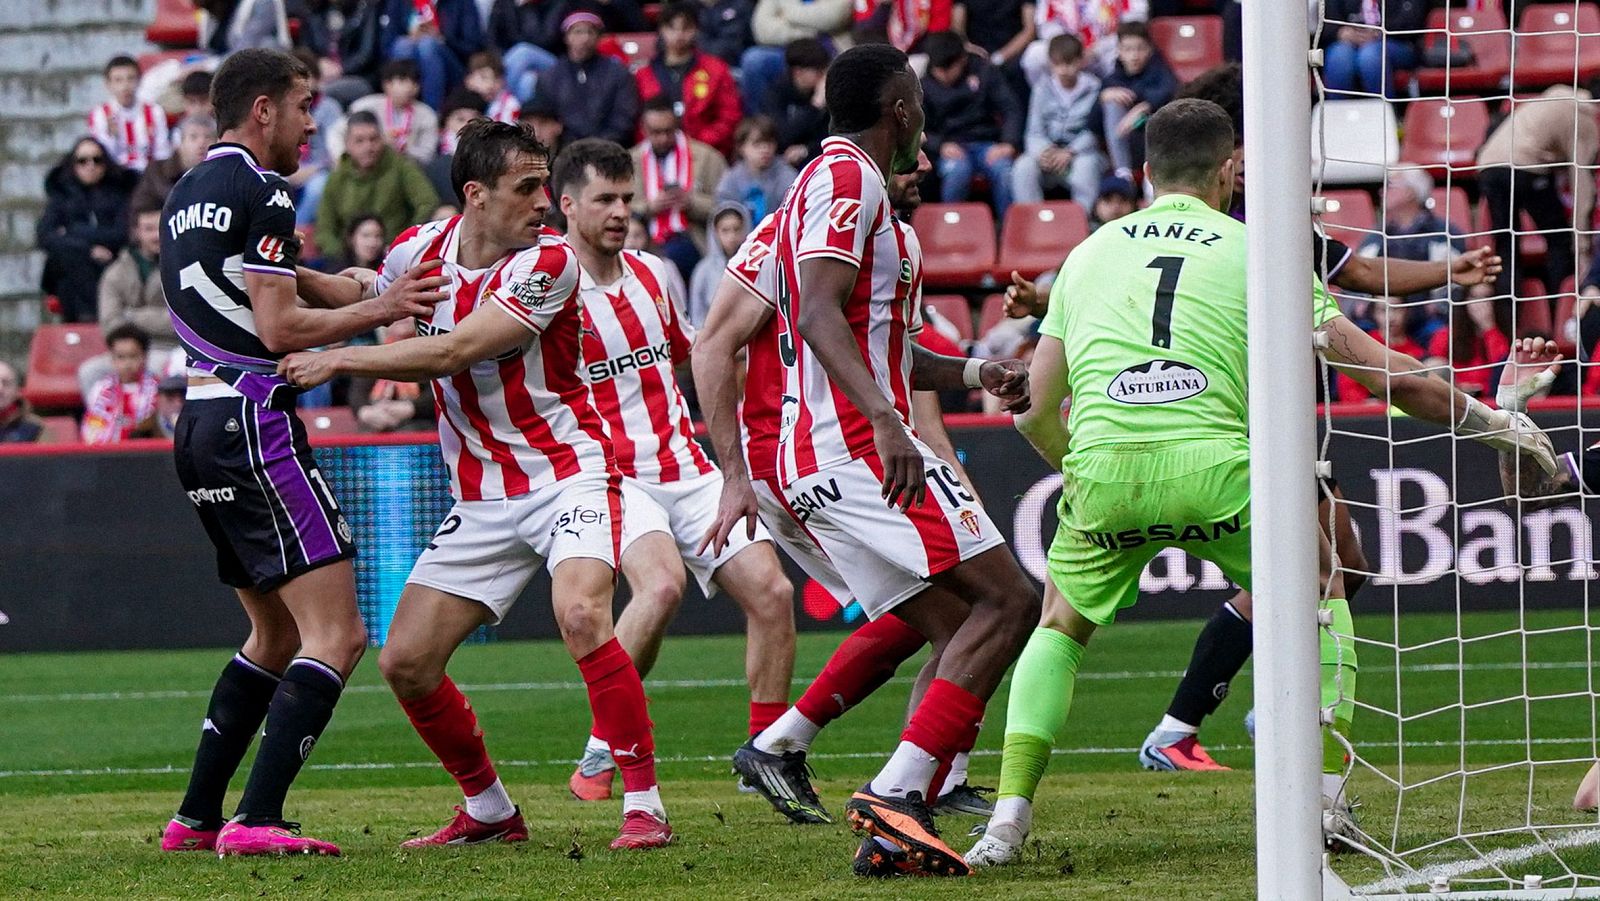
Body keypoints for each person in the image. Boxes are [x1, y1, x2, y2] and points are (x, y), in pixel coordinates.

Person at [966, 98, 1558, 868]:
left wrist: (1079, 467)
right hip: (1220, 467)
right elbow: (1395, 381)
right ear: (1225, 171)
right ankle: (1319, 798)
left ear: (1145, 174)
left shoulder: (1085, 254)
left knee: (1060, 628)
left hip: (1105, 468)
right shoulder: (1260, 249)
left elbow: (1034, 408)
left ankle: (1005, 821)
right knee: (1324, 583)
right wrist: (1500, 423)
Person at [277, 118, 673, 852]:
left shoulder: (550, 263)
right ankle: (490, 808)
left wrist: (338, 361)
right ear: (476, 195)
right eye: (528, 188)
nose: (545, 204)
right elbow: (365, 286)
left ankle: (644, 803)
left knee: (583, 614)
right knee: (405, 661)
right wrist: (280, 267)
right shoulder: (422, 249)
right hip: (483, 493)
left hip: (568, 474)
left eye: (546, 187)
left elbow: (456, 348)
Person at [715, 43, 1037, 877]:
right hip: (851, 446)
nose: (924, 113)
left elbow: (883, 344)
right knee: (1010, 601)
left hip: (834, 444)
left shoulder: (853, 199)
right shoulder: (848, 178)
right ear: (898, 107)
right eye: (918, 98)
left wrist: (974, 371)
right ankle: (897, 792)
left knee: (962, 626)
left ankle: (898, 820)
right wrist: (890, 422)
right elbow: (819, 315)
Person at [155, 47, 450, 858]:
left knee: (273, 637)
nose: (312, 122)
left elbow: (244, 285)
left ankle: (196, 815)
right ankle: (257, 818)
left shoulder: (184, 193)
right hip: (256, 422)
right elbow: (277, 330)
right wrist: (383, 305)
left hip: (200, 426)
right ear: (262, 112)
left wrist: (333, 285)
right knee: (340, 634)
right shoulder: (265, 187)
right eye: (303, 105)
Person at [549, 139, 797, 804]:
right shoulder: (544, 289)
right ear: (567, 205)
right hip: (612, 476)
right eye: (604, 199)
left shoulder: (655, 273)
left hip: (687, 466)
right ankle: (605, 748)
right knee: (659, 590)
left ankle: (765, 757)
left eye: (627, 198)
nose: (620, 211)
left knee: (774, 595)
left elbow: (695, 355)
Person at [1477, 83, 1597, 332]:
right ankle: (1559, 316)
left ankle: (1507, 328)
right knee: (1560, 242)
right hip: (1524, 167)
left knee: (1506, 250)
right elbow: (1582, 181)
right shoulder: (1584, 116)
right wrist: (1582, 242)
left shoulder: (1550, 98)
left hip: (1488, 165)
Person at [920, 30, 1023, 219]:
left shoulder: (985, 71)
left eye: (947, 69)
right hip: (950, 146)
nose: (942, 75)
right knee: (957, 171)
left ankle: (1008, 230)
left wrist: (1009, 143)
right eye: (938, 70)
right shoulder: (924, 85)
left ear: (962, 60)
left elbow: (1011, 108)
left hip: (987, 143)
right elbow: (920, 128)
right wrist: (940, 145)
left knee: (1004, 170)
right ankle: (950, 228)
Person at [79, 205, 178, 397]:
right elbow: (110, 324)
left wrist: (132, 316)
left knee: (158, 367)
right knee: (90, 372)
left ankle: (154, 426)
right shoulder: (116, 272)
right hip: (125, 351)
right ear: (136, 232)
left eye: (160, 228)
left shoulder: (183, 266)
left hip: (170, 348)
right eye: (148, 229)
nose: (156, 236)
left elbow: (181, 321)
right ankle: (105, 425)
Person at [316, 110, 441, 259]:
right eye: (359, 141)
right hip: (348, 260)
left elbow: (428, 202)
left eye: (373, 139)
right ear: (347, 144)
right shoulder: (337, 177)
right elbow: (325, 228)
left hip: (395, 255)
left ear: (382, 139)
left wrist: (406, 242)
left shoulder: (401, 166)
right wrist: (341, 256)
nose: (368, 147)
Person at [36, 137, 136, 322]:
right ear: (73, 164)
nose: (90, 166)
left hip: (110, 262)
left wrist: (73, 231)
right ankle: (90, 319)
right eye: (83, 161)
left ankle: (88, 320)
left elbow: (123, 233)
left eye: (97, 160)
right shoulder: (62, 196)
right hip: (73, 264)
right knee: (69, 259)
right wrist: (89, 249)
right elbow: (45, 236)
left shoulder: (119, 193)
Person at [632, 97, 727, 281]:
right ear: (644, 130)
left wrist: (691, 203)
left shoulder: (707, 158)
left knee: (672, 259)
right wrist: (649, 207)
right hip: (643, 240)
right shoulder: (630, 161)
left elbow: (727, 208)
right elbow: (618, 208)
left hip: (692, 239)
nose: (663, 138)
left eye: (669, 131)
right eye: (656, 132)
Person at [636, 2, 744, 157]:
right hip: (654, 154)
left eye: (686, 27)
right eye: (672, 27)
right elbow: (637, 123)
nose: (679, 34)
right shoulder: (643, 74)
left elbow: (729, 117)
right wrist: (658, 141)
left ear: (696, 30)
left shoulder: (716, 69)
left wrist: (694, 144)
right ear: (661, 30)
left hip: (704, 153)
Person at [1012, 33, 1105, 210]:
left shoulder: (1095, 88)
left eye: (1069, 63)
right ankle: (1032, 222)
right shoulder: (1041, 88)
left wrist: (1071, 151)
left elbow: (1094, 131)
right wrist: (1044, 151)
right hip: (1048, 152)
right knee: (1023, 167)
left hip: (1081, 153)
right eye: (1057, 64)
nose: (1063, 70)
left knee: (1087, 167)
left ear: (1081, 60)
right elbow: (1034, 130)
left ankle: (1083, 223)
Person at [529, 9, 640, 147]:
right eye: (578, 32)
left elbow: (624, 117)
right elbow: (546, 119)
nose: (585, 38)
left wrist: (598, 145)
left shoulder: (618, 73)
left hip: (609, 149)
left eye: (591, 32)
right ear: (566, 37)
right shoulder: (550, 76)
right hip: (563, 151)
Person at [1098, 21, 1177, 180]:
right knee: (1112, 102)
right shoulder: (1113, 79)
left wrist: (1143, 108)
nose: (1134, 55)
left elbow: (1171, 93)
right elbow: (1093, 125)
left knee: (1153, 120)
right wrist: (1102, 96)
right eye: (1128, 49)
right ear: (1119, 51)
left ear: (1150, 49)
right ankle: (1123, 173)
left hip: (1155, 145)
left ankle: (1153, 178)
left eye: (1140, 48)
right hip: (1123, 144)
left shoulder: (1161, 73)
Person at [379, 0, 486, 110]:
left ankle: (432, 111)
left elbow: (473, 46)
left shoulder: (462, 3)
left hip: (453, 68)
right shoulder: (399, 2)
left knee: (428, 44)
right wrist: (412, 38)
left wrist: (442, 39)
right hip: (410, 53)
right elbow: (386, 44)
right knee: (403, 45)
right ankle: (399, 110)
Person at [1319, 0, 1426, 100]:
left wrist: (1380, 31)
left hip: (1397, 41)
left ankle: (1384, 114)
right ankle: (1336, 115)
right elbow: (1325, 22)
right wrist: (1341, 32)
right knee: (1339, 56)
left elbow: (1413, 19)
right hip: (1347, 42)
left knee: (1370, 56)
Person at [346, 60, 441, 164]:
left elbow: (428, 154)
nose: (409, 88)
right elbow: (336, 133)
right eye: (402, 81)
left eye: (414, 83)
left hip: (408, 169)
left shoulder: (427, 115)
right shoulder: (364, 106)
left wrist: (405, 149)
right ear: (387, 84)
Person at [88, 55, 171, 172]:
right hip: (115, 177)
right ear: (108, 84)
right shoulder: (99, 115)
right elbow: (100, 158)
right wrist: (111, 136)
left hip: (148, 177)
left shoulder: (155, 111)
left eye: (131, 79)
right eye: (118, 80)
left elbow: (162, 152)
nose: (125, 86)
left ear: (139, 80)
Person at [81, 323, 161, 444]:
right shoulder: (101, 389)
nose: (127, 364)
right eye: (121, 357)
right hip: (107, 455)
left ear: (144, 357)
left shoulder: (157, 389)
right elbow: (93, 424)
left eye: (133, 356)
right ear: (112, 359)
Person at [714, 116, 797, 224]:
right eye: (757, 144)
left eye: (769, 143)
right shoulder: (731, 179)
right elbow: (724, 214)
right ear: (741, 147)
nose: (765, 149)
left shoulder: (787, 176)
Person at [763, 38, 830, 168]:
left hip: (816, 154)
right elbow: (780, 135)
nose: (823, 76)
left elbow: (831, 134)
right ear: (798, 72)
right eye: (818, 71)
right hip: (781, 159)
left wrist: (806, 149)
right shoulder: (776, 93)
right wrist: (815, 107)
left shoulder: (826, 93)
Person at [133, 115, 218, 215]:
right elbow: (141, 210)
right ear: (180, 143)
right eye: (193, 137)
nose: (201, 143)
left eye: (208, 137)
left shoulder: (224, 176)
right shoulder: (157, 172)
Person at [486, 0, 560, 104]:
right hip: (514, 65)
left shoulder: (556, 3)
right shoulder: (503, 3)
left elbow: (547, 39)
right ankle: (514, 115)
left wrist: (529, 8)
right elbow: (492, 39)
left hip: (551, 61)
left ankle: (499, 100)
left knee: (523, 51)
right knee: (526, 81)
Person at [689, 201, 749, 326]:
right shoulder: (703, 270)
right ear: (715, 232)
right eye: (725, 230)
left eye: (736, 229)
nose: (732, 236)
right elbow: (697, 313)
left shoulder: (754, 265)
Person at [429, 88, 489, 201]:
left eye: (475, 119)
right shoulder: (433, 154)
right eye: (460, 119)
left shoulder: (491, 158)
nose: (467, 125)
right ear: (446, 122)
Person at [464, 50, 521, 124]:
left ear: (501, 81)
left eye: (485, 77)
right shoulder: (470, 101)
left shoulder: (509, 105)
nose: (488, 85)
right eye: (482, 78)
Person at [0, 362, 43, 444]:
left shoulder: (36, 426)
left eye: (6, 383)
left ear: (17, 391)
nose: (0, 389)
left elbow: (49, 455)